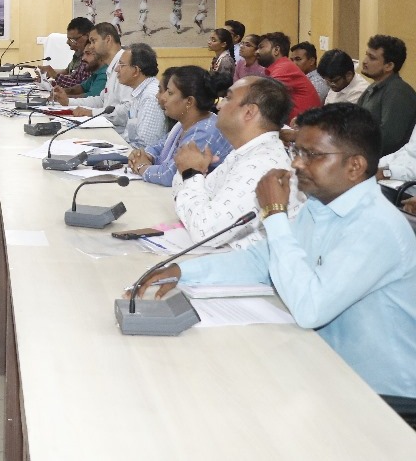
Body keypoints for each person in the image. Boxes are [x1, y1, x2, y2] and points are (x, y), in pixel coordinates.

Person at [136, 103, 416, 421]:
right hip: (327, 365)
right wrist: (182, 270)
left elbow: (310, 308)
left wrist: (274, 213)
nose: (296, 163)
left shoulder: (376, 226)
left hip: (382, 397)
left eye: (311, 155)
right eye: (296, 151)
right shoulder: (321, 205)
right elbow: (262, 259)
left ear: (354, 166)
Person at [172, 76, 299, 249]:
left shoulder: (262, 165)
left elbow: (204, 232)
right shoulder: (245, 152)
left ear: (249, 112)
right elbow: (184, 197)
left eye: (228, 98)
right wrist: (193, 175)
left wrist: (192, 173)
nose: (219, 105)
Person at [128, 66, 232, 186]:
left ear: (189, 101)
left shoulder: (205, 131)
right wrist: (144, 156)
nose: (163, 97)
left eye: (170, 93)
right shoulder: (185, 123)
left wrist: (141, 167)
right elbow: (159, 146)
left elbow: (171, 175)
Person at [53, 23, 133, 131]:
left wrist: (91, 112)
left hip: (120, 135)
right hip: (109, 128)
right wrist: (69, 102)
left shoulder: (125, 65)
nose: (91, 46)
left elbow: (127, 110)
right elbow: (101, 100)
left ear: (108, 40)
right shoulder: (111, 67)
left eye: (93, 41)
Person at [356, 35, 416, 157]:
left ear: (389, 66)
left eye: (372, 58)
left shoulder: (398, 92)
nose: (365, 61)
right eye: (366, 55)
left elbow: (389, 138)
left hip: (386, 163)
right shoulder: (373, 87)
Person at [111, 43, 166, 149]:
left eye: (121, 65)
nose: (116, 69)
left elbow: (145, 146)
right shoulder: (139, 92)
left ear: (136, 71)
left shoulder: (151, 97)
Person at [255, 32, 321, 120]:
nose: (256, 52)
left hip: (304, 125)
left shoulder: (284, 67)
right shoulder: (281, 66)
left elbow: (263, 96)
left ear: (276, 50)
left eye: (261, 47)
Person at [39, 17, 93, 85]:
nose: (68, 42)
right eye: (68, 39)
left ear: (87, 36)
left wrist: (55, 75)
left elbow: (81, 86)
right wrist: (48, 76)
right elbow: (70, 74)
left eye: (72, 40)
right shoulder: (78, 53)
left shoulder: (92, 59)